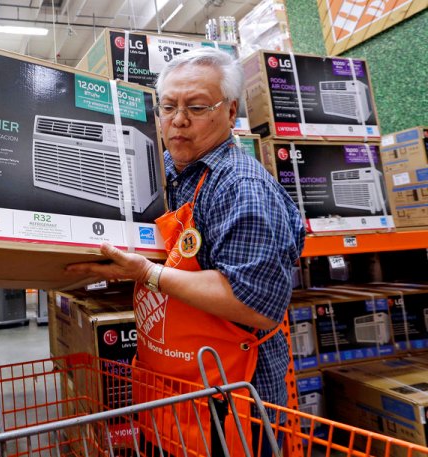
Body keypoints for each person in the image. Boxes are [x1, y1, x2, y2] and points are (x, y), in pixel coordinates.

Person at [66, 47, 305, 457]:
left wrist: (147, 273)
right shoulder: (164, 171)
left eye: (196, 107)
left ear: (230, 113)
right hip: (169, 390)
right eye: (168, 107)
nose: (178, 120)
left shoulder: (240, 187)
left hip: (231, 405)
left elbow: (257, 304)